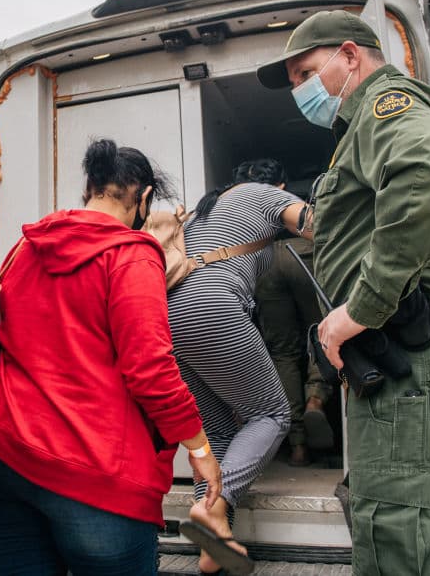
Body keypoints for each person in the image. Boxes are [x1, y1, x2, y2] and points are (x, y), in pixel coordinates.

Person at [257, 10, 430, 574]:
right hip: (416, 360)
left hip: (417, 360)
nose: (300, 91)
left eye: (305, 73)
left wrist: (359, 310)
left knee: (406, 544)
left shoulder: (383, 105)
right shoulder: (361, 128)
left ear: (350, 55)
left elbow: (427, 175)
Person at [0, 139, 225, 575]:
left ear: (89, 186)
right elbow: (150, 370)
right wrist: (199, 448)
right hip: (94, 476)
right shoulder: (131, 256)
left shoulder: (24, 248)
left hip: (4, 456)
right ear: (143, 198)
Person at [166, 158, 309, 574]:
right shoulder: (262, 195)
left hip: (170, 319)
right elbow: (322, 225)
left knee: (217, 434)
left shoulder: (202, 215)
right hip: (210, 306)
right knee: (271, 414)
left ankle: (214, 543)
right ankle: (217, 503)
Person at [255, 237, 335, 466]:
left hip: (265, 258)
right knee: (321, 332)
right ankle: (316, 398)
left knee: (283, 353)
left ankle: (297, 445)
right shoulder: (296, 198)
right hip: (303, 249)